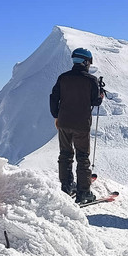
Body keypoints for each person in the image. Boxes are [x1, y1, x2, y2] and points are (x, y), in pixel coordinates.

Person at [49, 47, 104, 204]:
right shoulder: (91, 80)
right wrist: (100, 95)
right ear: (86, 62)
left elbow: (54, 98)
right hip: (81, 124)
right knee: (82, 157)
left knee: (65, 154)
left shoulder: (63, 78)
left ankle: (66, 186)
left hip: (64, 122)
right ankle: (83, 192)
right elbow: (95, 101)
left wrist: (56, 116)